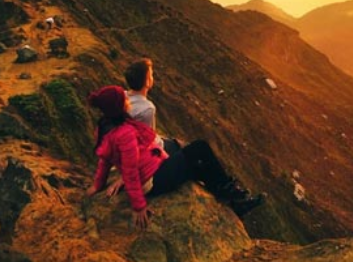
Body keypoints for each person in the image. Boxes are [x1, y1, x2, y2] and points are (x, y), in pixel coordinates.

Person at [85, 85, 264, 229]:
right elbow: (130, 171)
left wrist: (97, 185)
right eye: (123, 98)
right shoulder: (125, 134)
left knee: (194, 162)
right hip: (153, 179)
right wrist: (138, 206)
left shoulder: (105, 127)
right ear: (119, 106)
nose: (127, 98)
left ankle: (234, 201)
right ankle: (233, 195)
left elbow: (105, 160)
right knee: (200, 148)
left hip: (150, 169)